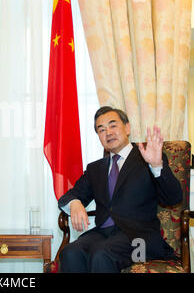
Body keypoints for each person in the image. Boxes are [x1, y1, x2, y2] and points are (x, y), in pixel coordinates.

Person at [57, 106, 183, 273]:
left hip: (141, 240)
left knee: (102, 254)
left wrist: (157, 166)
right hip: (103, 233)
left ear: (127, 128)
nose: (108, 132)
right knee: (70, 252)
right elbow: (71, 195)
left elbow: (173, 198)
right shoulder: (95, 169)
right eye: (101, 130)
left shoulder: (148, 159)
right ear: (99, 137)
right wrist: (74, 203)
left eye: (113, 125)